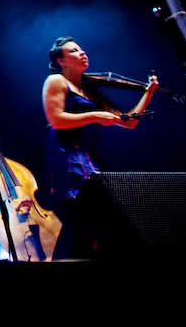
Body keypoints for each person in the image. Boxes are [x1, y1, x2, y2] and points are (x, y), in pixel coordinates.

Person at [42, 36, 158, 256]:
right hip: (66, 157)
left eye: (81, 49)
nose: (82, 52)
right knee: (81, 222)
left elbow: (129, 121)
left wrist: (148, 93)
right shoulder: (56, 81)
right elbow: (55, 120)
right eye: (74, 51)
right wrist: (95, 115)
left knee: (98, 226)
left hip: (88, 159)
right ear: (61, 61)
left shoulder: (89, 88)